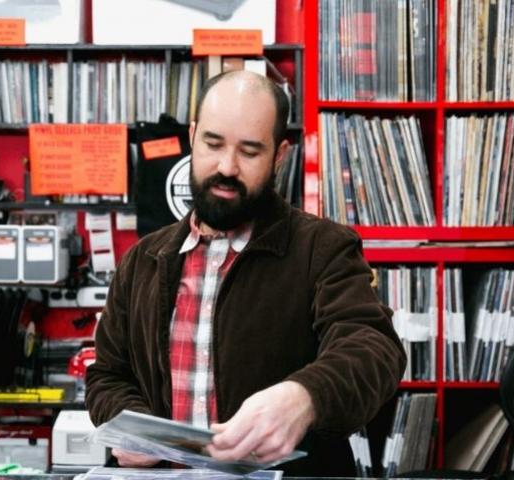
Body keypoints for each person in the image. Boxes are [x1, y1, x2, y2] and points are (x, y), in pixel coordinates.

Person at [85, 70, 406, 476]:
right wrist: (131, 426)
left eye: (250, 151)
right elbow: (107, 376)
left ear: (280, 155)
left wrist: (305, 397)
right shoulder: (142, 260)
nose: (227, 167)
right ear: (193, 135)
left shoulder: (323, 249)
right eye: (213, 144)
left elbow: (374, 347)